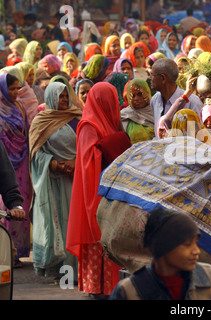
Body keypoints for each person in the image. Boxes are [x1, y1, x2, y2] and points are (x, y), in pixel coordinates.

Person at [66, 82, 130, 297]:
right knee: (98, 240)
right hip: (96, 195)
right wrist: (109, 146)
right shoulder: (88, 126)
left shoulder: (111, 124)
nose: (116, 105)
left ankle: (112, 287)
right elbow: (88, 165)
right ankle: (98, 288)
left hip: (113, 194)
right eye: (112, 101)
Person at [109, 208, 211, 300]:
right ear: (163, 247)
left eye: (196, 243)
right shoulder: (129, 291)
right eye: (187, 244)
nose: (196, 251)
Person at [29, 82, 82, 278]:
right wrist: (56, 165)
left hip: (76, 179)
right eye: (61, 96)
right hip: (54, 181)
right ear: (51, 97)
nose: (65, 100)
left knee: (74, 223)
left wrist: (77, 162)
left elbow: (86, 144)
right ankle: (62, 271)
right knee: (59, 222)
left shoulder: (77, 117)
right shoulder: (40, 122)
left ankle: (76, 271)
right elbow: (35, 154)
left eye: (67, 96)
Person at [0, 73, 32, 268]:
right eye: (10, 88)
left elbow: (26, 132)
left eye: (16, 88)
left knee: (15, 206)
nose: (14, 92)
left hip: (18, 162)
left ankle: (15, 252)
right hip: (8, 162)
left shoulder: (20, 107)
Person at [149, 58, 203, 136]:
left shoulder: (193, 102)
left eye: (152, 75)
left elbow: (200, 136)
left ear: (163, 78)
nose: (149, 78)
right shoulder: (155, 100)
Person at [120, 79, 155, 144]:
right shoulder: (124, 115)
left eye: (140, 94)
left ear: (147, 93)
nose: (136, 99)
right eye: (132, 96)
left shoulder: (156, 111)